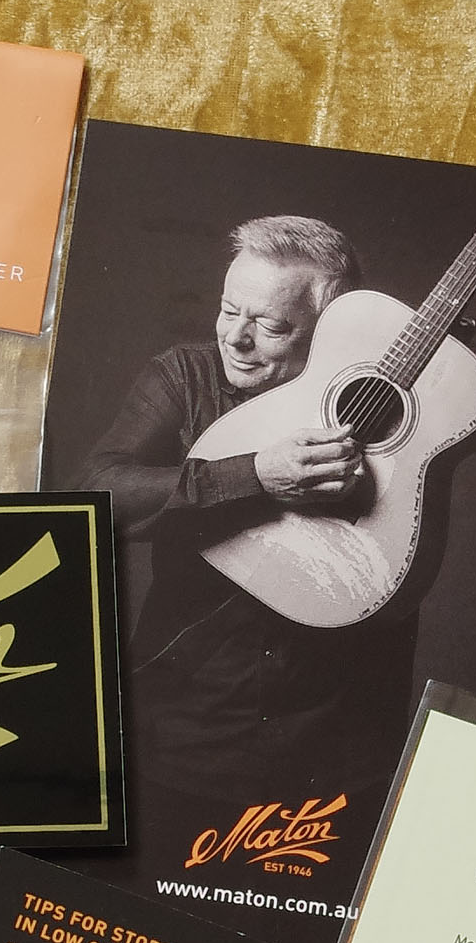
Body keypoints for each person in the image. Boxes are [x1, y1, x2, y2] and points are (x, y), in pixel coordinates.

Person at [76, 214, 424, 902]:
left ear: (328, 326)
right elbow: (92, 495)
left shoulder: (406, 397)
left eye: (270, 325)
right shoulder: (184, 377)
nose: (235, 336)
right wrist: (255, 475)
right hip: (184, 731)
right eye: (228, 309)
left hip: (334, 750)